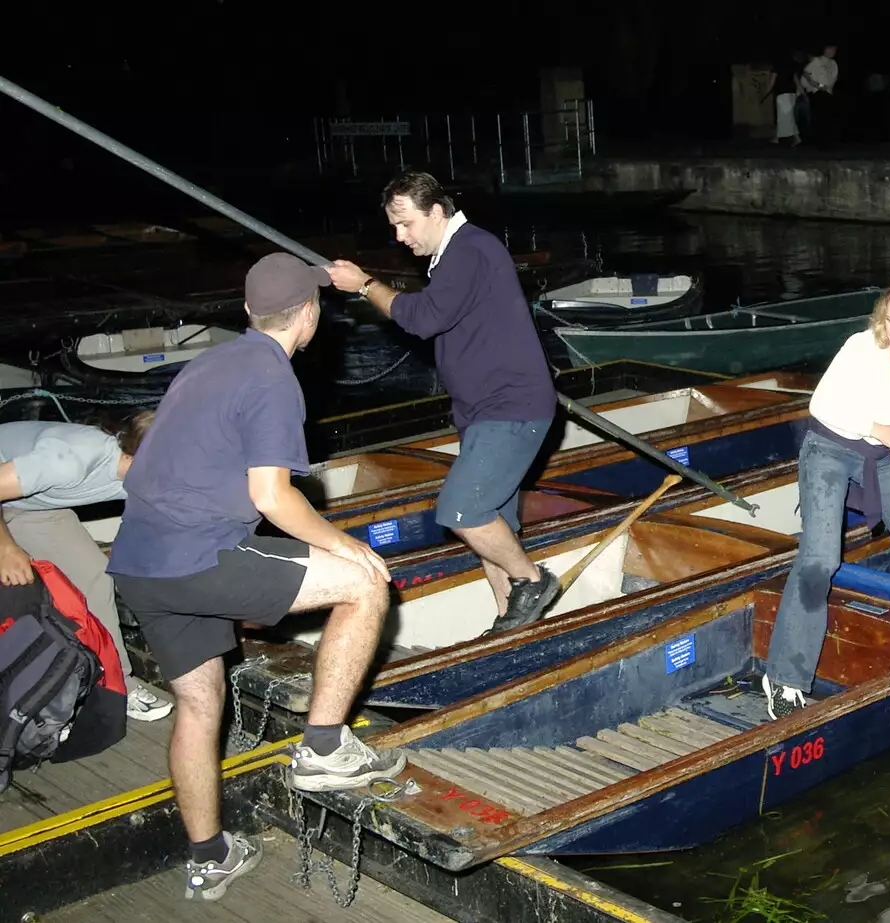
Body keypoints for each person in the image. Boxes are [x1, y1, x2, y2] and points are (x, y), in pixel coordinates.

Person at [107, 253, 404, 902]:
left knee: (199, 701)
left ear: (248, 312)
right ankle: (324, 747)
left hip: (137, 562)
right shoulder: (273, 377)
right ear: (308, 315)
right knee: (364, 585)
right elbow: (272, 495)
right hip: (196, 556)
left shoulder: (208, 362)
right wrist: (347, 546)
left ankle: (209, 855)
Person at [326, 170, 561, 632]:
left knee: (462, 511)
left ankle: (532, 581)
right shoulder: (455, 255)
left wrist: (363, 284)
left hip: (511, 406)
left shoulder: (471, 249)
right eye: (393, 227)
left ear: (436, 212)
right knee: (494, 524)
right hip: (481, 411)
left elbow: (422, 317)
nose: (399, 237)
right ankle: (510, 620)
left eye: (406, 224)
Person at [762, 273, 890, 720]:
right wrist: (878, 427)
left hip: (886, 453)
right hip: (831, 447)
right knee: (820, 560)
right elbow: (821, 405)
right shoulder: (863, 347)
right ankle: (784, 677)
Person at [0, 412, 172, 721]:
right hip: (7, 493)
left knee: (94, 577)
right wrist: (6, 548)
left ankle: (116, 684)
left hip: (31, 505)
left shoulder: (146, 473)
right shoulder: (70, 460)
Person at [764, 52, 802, 146]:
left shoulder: (777, 66)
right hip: (792, 93)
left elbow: (772, 82)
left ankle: (785, 137)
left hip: (782, 93)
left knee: (784, 116)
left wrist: (765, 93)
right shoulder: (792, 65)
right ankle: (783, 137)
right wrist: (802, 93)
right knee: (788, 116)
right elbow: (796, 81)